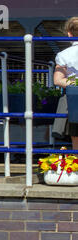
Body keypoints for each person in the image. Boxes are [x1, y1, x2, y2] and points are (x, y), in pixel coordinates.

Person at [53, 16, 78, 150]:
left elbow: (58, 80)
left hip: (75, 98)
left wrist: (75, 82)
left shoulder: (63, 55)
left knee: (76, 133)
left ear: (69, 33)